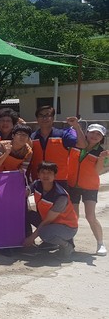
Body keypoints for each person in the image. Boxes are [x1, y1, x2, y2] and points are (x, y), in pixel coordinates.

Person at [65, 119, 107, 255]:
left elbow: (97, 171)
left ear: (102, 138)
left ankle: (100, 243)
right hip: (72, 185)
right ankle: (69, 242)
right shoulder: (75, 145)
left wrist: (101, 158)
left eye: (98, 134)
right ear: (86, 133)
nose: (95, 136)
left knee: (90, 216)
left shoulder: (102, 152)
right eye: (92, 133)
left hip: (90, 187)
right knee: (74, 216)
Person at [25, 162, 78, 258]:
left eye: (49, 173)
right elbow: (25, 192)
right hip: (51, 223)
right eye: (43, 172)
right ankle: (43, 243)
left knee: (44, 232)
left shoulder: (60, 196)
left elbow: (47, 221)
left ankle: (67, 246)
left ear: (55, 176)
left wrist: (31, 238)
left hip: (67, 227)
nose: (45, 175)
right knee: (25, 214)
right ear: (38, 174)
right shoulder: (37, 184)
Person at [29, 106, 77, 187]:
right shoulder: (32, 137)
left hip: (60, 180)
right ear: (37, 119)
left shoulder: (62, 135)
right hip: (38, 180)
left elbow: (82, 144)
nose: (44, 118)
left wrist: (76, 126)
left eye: (48, 115)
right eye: (41, 115)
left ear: (53, 118)